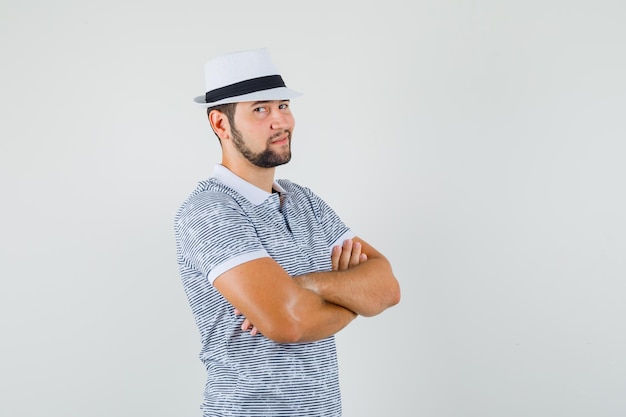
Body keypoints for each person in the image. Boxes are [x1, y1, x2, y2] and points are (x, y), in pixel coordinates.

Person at [174, 47, 401, 417]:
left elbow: (387, 289)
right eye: (260, 109)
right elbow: (289, 323)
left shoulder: (304, 201)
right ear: (220, 124)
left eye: (282, 106)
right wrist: (353, 297)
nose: (280, 121)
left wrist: (306, 286)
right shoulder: (211, 210)